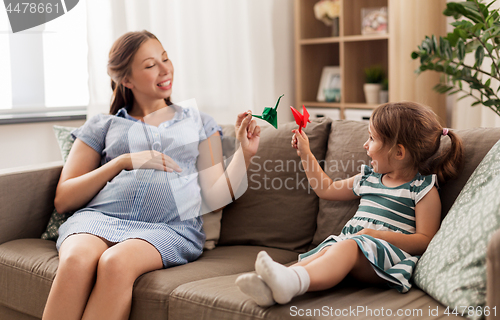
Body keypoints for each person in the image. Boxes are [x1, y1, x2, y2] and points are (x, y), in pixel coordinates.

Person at [42, 30, 260, 320]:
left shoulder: (199, 122)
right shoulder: (103, 124)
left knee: (116, 263)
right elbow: (64, 199)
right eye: (150, 65)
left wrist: (245, 154)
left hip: (169, 228)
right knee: (76, 259)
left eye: (166, 59)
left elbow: (215, 198)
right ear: (126, 80)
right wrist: (122, 162)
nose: (165, 69)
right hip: (98, 219)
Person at [236, 102, 463, 307]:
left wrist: (376, 235)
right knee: (328, 249)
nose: (365, 145)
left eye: (372, 139)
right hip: (351, 247)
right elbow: (326, 189)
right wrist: (305, 153)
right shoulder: (368, 179)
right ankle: (274, 284)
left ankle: (292, 282)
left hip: (385, 260)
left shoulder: (422, 189)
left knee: (346, 247)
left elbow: (424, 241)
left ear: (399, 152)